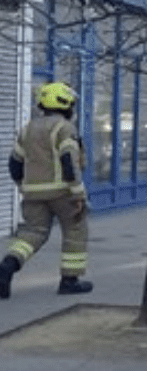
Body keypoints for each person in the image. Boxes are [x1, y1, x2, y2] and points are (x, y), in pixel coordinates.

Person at [0, 82, 93, 299]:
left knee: (32, 233)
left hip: (33, 194)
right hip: (63, 193)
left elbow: (14, 164)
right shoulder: (65, 128)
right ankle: (70, 280)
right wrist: (78, 193)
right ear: (65, 104)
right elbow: (69, 162)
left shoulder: (28, 129)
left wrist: (24, 186)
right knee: (75, 230)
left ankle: (7, 266)